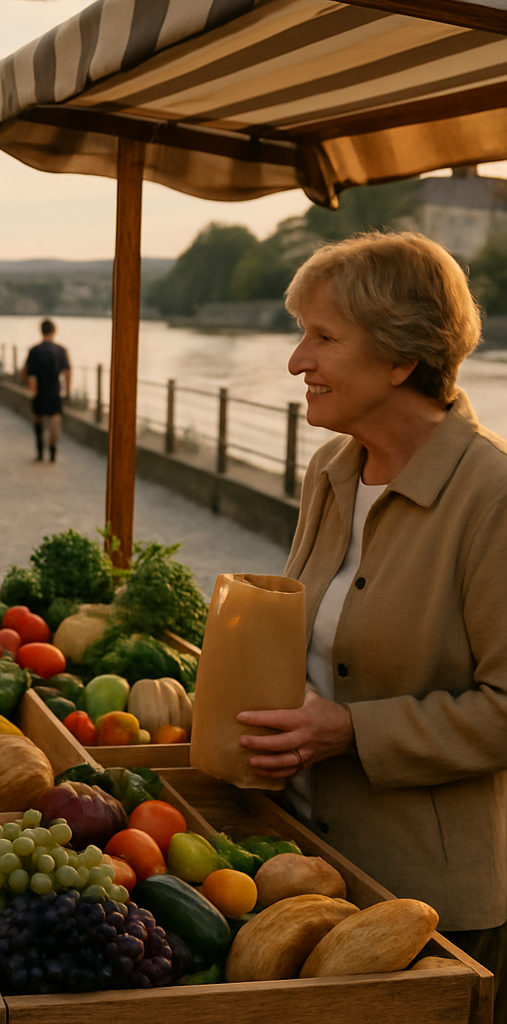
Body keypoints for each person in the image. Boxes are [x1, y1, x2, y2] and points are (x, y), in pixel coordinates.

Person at [236, 231, 507, 1017]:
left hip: (429, 909)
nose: (297, 361)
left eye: (323, 337)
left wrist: (351, 731)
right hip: (305, 867)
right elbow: (308, 639)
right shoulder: (332, 468)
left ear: (401, 359)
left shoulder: (492, 496)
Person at [22, 319, 71, 462]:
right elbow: (67, 372)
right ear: (54, 331)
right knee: (54, 420)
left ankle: (40, 451)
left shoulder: (34, 350)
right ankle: (53, 452)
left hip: (39, 390)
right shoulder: (61, 350)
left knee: (38, 419)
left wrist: (32, 390)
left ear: (41, 331)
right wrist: (67, 391)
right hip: (54, 390)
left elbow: (29, 375)